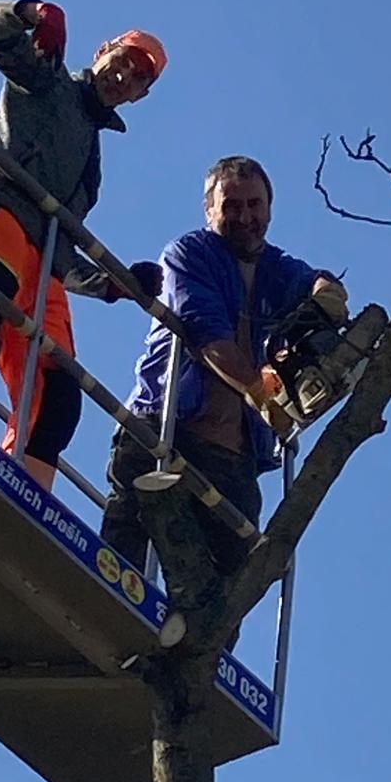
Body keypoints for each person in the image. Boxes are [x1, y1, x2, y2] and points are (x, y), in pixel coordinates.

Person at [0, 0, 167, 491]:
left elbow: (65, 248)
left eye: (139, 78)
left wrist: (113, 284)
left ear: (141, 95)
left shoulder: (91, 161)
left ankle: (18, 491)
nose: (124, 77)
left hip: (44, 265)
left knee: (58, 394)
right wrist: (29, 12)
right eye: (123, 61)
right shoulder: (46, 80)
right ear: (103, 51)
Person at [100, 155, 348, 577]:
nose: (245, 217)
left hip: (234, 460)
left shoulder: (278, 270)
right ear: (209, 210)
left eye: (254, 205)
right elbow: (207, 336)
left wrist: (328, 293)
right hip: (166, 428)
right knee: (123, 562)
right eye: (232, 206)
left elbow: (313, 281)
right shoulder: (189, 254)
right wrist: (261, 393)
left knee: (227, 583)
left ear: (269, 208)